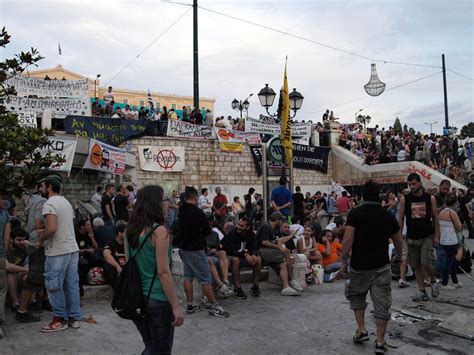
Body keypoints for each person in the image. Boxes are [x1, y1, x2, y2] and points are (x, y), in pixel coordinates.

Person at [338, 179, 402, 353]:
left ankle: (361, 329)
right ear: (378, 195)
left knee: (357, 297)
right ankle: (380, 341)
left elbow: (348, 240)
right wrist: (400, 257)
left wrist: (343, 260)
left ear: (363, 196)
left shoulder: (355, 214)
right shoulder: (387, 215)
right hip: (381, 266)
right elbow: (397, 239)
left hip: (359, 265)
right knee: (382, 304)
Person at [126, 185, 184, 354]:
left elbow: (130, 264)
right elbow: (163, 272)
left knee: (151, 346)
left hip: (137, 298)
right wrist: (175, 306)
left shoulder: (130, 230)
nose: (168, 203)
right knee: (161, 350)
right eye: (166, 199)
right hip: (158, 298)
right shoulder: (159, 231)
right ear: (156, 203)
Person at [37, 174, 82, 332]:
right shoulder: (65, 202)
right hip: (71, 249)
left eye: (42, 186)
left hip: (57, 251)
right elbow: (63, 225)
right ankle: (73, 318)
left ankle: (59, 320)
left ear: (49, 187)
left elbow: (52, 228)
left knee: (54, 286)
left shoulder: (49, 203)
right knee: (71, 285)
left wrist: (40, 240)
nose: (40, 189)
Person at [178, 186, 230, 317]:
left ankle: (190, 304)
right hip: (196, 248)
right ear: (195, 197)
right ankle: (214, 306)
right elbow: (207, 231)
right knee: (205, 278)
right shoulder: (197, 212)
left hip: (184, 248)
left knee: (188, 277)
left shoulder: (181, 211)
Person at [398, 173, 440, 302]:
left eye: (414, 184)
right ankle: (422, 291)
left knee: (425, 262)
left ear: (420, 183)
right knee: (415, 265)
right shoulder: (405, 199)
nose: (412, 187)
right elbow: (400, 217)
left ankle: (433, 280)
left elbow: (435, 218)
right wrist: (399, 235)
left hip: (427, 235)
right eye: (410, 184)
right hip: (411, 236)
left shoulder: (429, 198)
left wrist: (437, 236)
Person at [257, 212, 301, 296]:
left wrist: (290, 236)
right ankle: (291, 280)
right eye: (281, 220)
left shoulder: (271, 228)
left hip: (267, 252)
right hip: (260, 251)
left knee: (283, 264)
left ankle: (286, 287)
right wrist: (279, 248)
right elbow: (265, 242)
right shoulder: (266, 226)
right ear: (278, 220)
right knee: (286, 253)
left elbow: (278, 241)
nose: (281, 222)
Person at [223, 217, 262, 298]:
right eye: (238, 224)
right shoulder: (231, 234)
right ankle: (237, 288)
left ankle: (255, 285)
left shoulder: (251, 234)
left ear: (247, 227)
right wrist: (245, 254)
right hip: (231, 256)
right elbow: (231, 251)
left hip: (243, 256)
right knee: (236, 260)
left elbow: (254, 247)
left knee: (258, 259)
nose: (238, 227)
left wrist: (254, 254)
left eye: (242, 226)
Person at [438, 193, 463, 289]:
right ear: (454, 203)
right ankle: (444, 283)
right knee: (449, 262)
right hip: (452, 241)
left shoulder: (441, 212)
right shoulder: (452, 213)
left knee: (452, 261)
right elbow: (459, 227)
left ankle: (455, 281)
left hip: (443, 240)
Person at [6, 227, 29, 311]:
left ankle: (31, 302)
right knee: (10, 274)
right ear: (11, 239)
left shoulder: (24, 247)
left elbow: (28, 262)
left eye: (23, 240)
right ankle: (15, 303)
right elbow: (7, 266)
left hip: (19, 274)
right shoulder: (6, 248)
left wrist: (26, 269)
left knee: (29, 273)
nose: (22, 242)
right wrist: (25, 269)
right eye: (19, 240)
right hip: (6, 278)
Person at [103, 221, 127, 290]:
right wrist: (117, 266)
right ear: (119, 233)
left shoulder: (129, 244)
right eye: (126, 232)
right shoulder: (112, 243)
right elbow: (106, 254)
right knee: (110, 269)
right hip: (117, 270)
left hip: (127, 269)